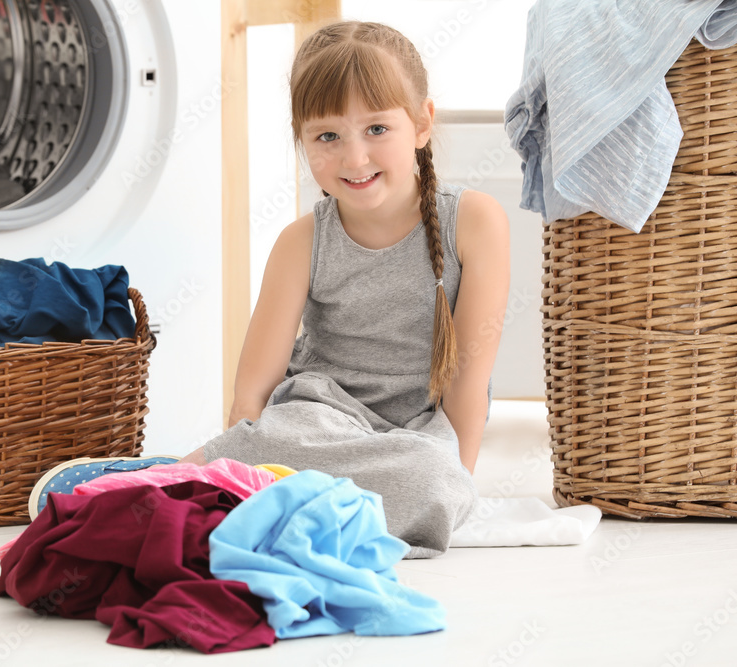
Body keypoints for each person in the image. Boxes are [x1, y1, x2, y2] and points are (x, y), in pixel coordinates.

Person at [175, 20, 510, 557]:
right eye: (328, 136)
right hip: (319, 414)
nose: (354, 159)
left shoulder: (472, 222)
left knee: (429, 479)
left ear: (422, 124)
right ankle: (178, 483)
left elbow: (468, 381)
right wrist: (243, 446)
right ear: (301, 140)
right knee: (272, 439)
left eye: (377, 129)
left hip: (417, 431)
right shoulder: (302, 240)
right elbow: (254, 391)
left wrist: (457, 482)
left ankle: (249, 497)